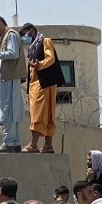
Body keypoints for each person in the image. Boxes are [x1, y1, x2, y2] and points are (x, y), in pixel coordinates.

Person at [19, 24, 62, 153]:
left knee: (42, 114)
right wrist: (28, 90)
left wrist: (40, 65)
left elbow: (50, 58)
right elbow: (30, 72)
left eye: (25, 34)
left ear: (31, 31)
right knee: (39, 113)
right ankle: (47, 146)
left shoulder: (45, 41)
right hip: (35, 84)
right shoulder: (32, 48)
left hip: (45, 82)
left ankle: (34, 144)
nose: (24, 38)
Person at [0, 15, 26, 153]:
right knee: (11, 111)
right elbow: (5, 60)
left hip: (8, 79)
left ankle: (9, 142)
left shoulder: (11, 35)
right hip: (8, 78)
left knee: (8, 110)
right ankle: (14, 142)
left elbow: (12, 54)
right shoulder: (7, 36)